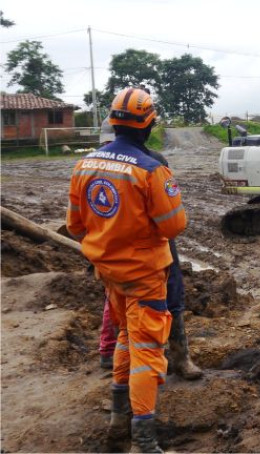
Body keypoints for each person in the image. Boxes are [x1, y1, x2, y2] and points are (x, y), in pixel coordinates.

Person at [68, 87, 186, 453]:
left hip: (108, 272)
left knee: (124, 338)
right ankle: (145, 440)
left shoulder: (84, 165)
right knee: (148, 351)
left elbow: (75, 226)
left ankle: (118, 418)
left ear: (113, 123)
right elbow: (173, 227)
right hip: (145, 275)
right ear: (148, 125)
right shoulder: (151, 170)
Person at [95, 116, 204, 381]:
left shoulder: (154, 162)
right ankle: (131, 361)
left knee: (171, 295)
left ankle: (178, 357)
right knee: (126, 307)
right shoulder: (102, 164)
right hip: (127, 248)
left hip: (152, 245)